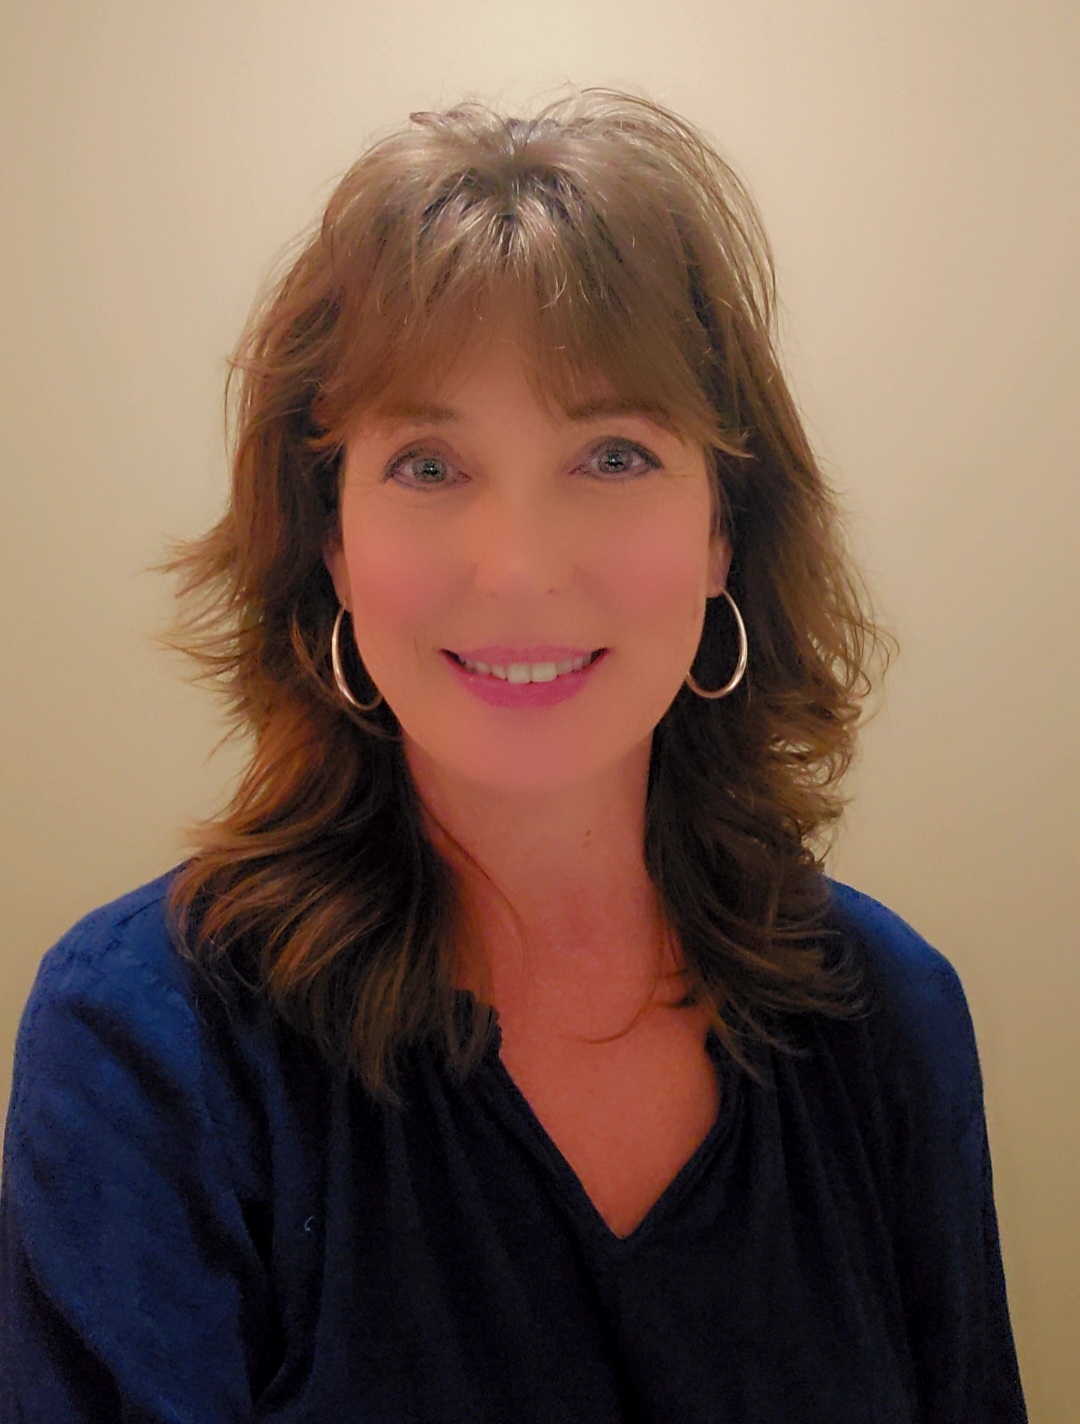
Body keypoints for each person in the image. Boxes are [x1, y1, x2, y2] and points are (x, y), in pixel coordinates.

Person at [0, 88, 1026, 1422]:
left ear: (726, 530)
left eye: (611, 452)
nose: (522, 569)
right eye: (429, 465)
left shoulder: (890, 1021)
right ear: (332, 543)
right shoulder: (149, 1047)